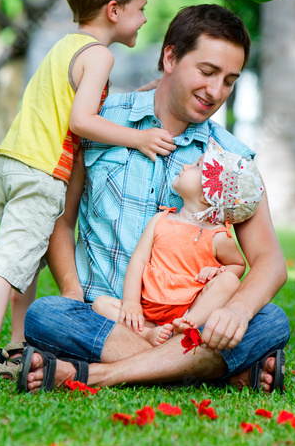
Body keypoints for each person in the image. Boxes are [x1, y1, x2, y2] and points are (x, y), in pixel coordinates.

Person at [18, 4, 289, 393]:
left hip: (188, 322)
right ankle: (211, 370)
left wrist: (236, 310)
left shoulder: (230, 159)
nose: (216, 92)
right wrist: (72, 292)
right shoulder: (99, 121)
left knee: (271, 320)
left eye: (229, 80)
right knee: (48, 314)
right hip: (105, 316)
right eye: (208, 72)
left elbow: (270, 261)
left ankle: (95, 374)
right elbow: (61, 218)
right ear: (170, 57)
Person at [0, 0, 175, 380]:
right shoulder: (100, 56)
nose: (144, 19)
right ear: (114, 11)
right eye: (141, 10)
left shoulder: (69, 46)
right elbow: (83, 121)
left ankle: (17, 345)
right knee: (9, 263)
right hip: (41, 171)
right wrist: (139, 136)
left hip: (14, 165)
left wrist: (143, 92)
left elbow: (82, 107)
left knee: (29, 260)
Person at [91, 140, 264, 346]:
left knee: (231, 282)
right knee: (100, 304)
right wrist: (131, 303)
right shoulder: (160, 220)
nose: (185, 166)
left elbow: (237, 266)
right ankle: (147, 334)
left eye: (197, 166)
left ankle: (187, 325)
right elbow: (138, 261)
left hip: (189, 308)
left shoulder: (218, 236)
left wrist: (219, 272)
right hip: (147, 309)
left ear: (208, 195)